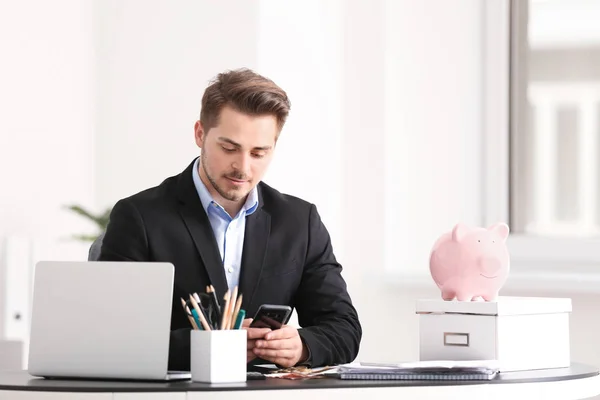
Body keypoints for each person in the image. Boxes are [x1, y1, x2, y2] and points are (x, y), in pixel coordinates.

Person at [98, 68, 361, 371]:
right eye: (229, 148)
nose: (243, 168)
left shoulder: (300, 222)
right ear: (200, 134)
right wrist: (219, 348)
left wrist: (302, 346)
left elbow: (345, 329)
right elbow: (116, 338)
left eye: (259, 152)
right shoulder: (140, 217)